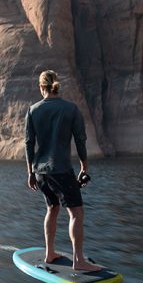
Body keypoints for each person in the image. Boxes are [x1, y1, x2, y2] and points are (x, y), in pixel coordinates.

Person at [24, 70, 102, 272]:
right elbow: (80, 139)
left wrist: (30, 172)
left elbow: (28, 143)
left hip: (41, 171)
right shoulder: (70, 109)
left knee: (52, 208)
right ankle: (78, 261)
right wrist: (84, 166)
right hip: (61, 169)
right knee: (76, 212)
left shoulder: (33, 110)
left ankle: (50, 253)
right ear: (56, 86)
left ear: (42, 87)